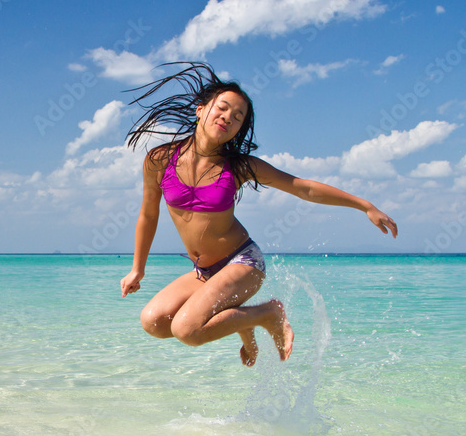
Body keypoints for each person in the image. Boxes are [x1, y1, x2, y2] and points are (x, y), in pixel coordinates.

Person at [120, 63, 398, 366]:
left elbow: (302, 188)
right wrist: (138, 269)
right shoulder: (160, 160)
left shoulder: (239, 167)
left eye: (238, 117)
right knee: (154, 322)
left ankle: (268, 313)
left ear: (240, 129)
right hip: (206, 272)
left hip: (243, 264)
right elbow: (148, 214)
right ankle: (245, 321)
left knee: (187, 329)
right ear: (200, 110)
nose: (228, 117)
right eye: (222, 108)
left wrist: (364, 205)